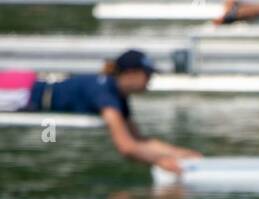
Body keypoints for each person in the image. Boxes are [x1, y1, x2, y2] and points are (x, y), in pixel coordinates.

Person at [4, 50, 199, 172]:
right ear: (131, 74)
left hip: (21, 86)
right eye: (147, 76)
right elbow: (127, 147)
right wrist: (160, 161)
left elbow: (139, 140)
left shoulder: (117, 94)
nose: (150, 81)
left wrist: (181, 153)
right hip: (17, 91)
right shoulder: (106, 95)